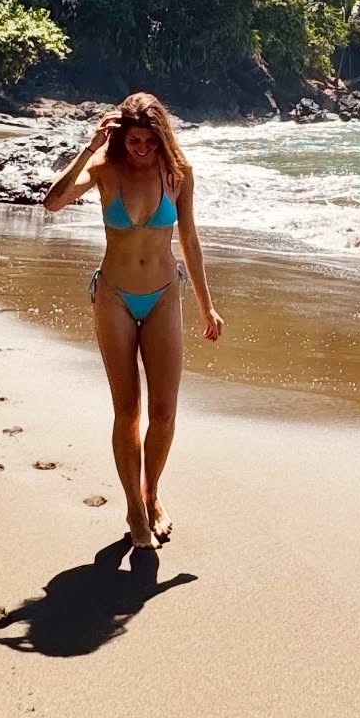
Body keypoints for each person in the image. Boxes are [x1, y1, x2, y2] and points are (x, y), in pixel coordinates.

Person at [42, 92, 222, 550]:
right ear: (121, 138)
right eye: (134, 141)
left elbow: (189, 240)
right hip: (114, 298)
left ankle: (152, 493)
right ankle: (134, 509)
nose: (141, 149)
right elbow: (53, 203)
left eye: (149, 141)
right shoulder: (105, 168)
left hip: (163, 297)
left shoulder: (178, 173)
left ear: (162, 138)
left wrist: (207, 306)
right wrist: (90, 146)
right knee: (128, 411)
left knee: (164, 413)